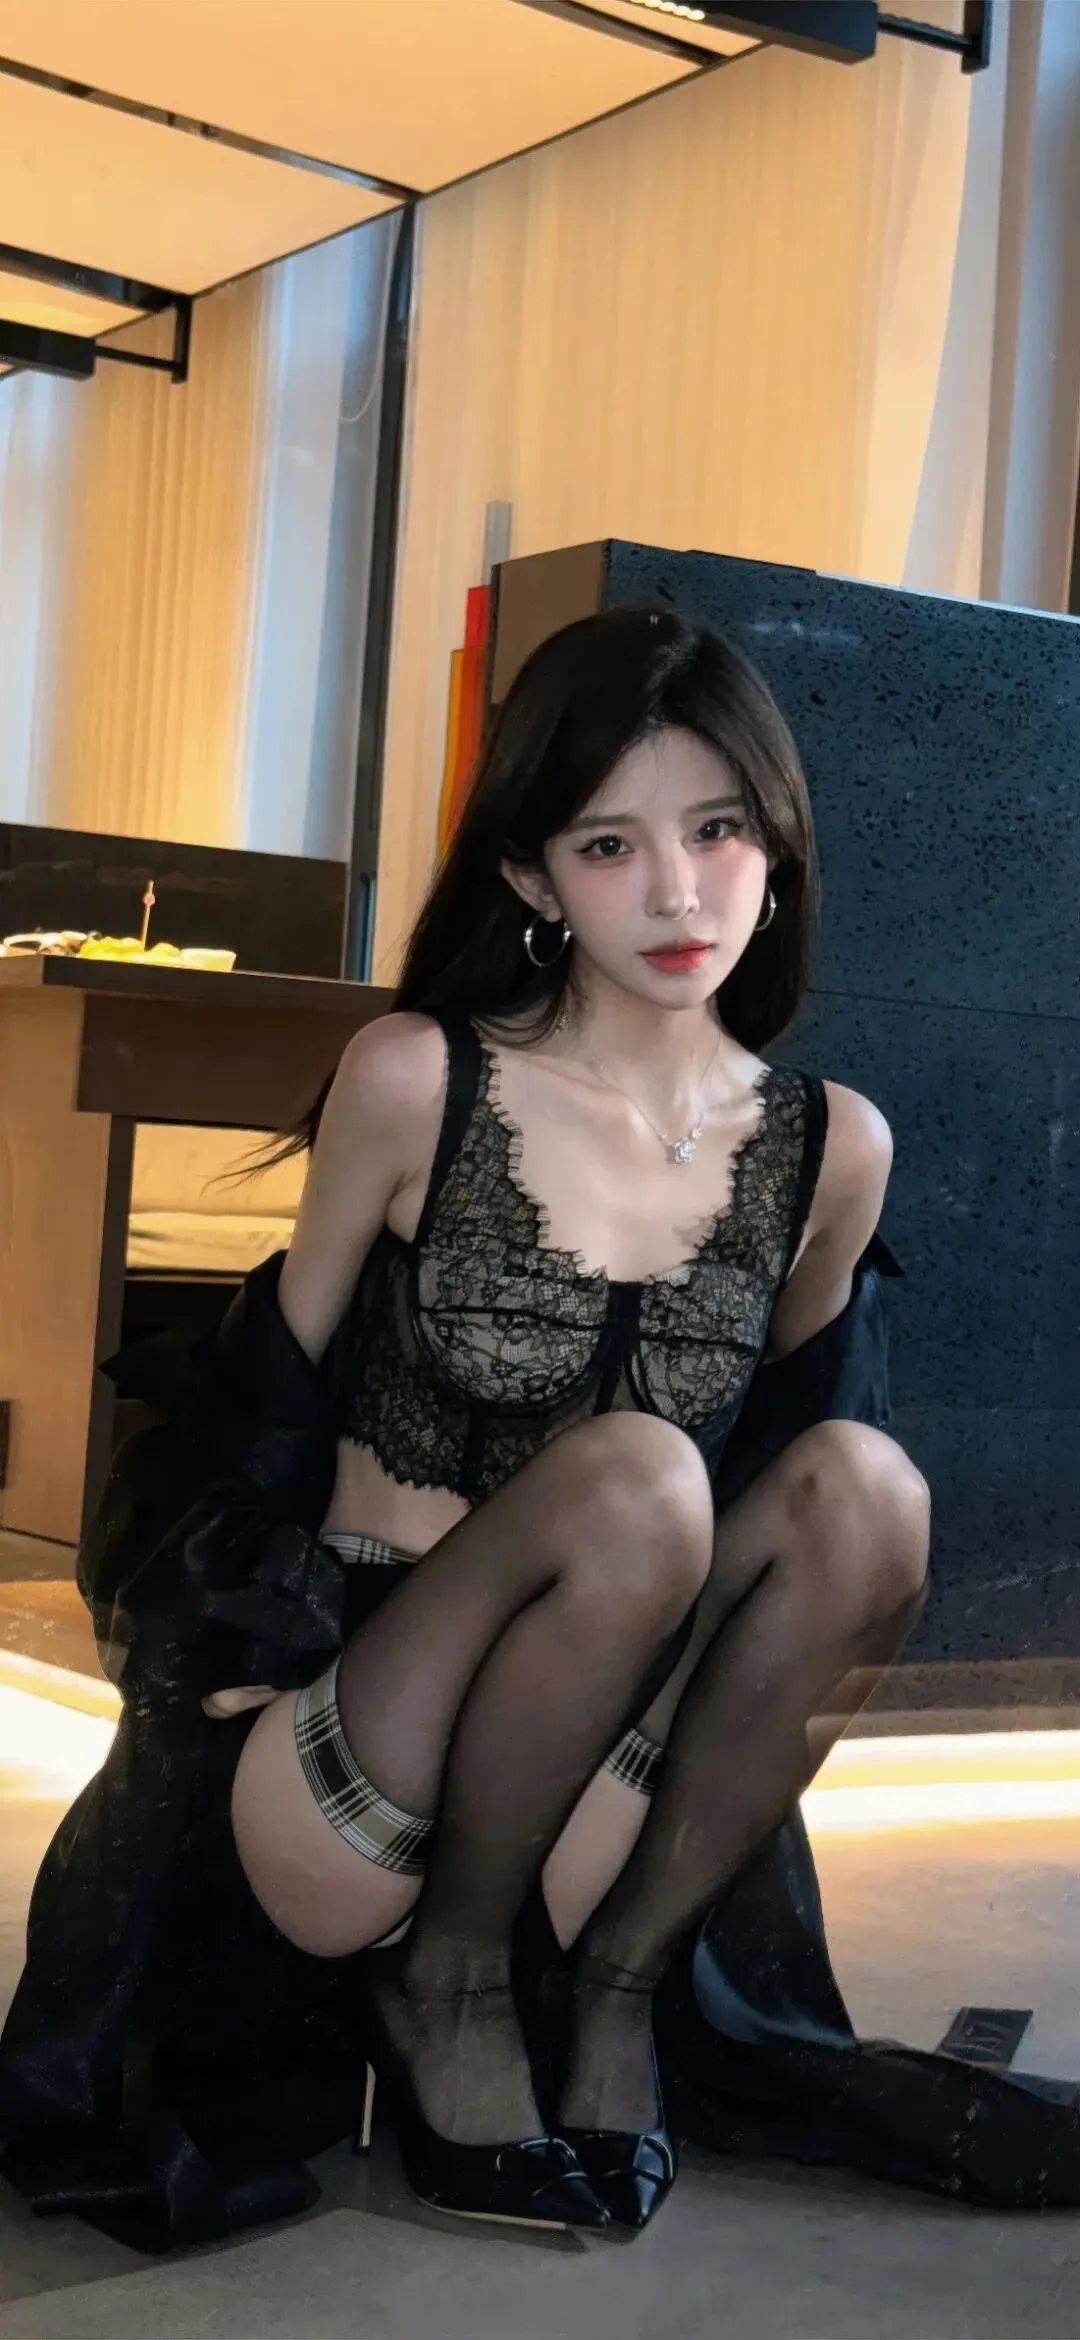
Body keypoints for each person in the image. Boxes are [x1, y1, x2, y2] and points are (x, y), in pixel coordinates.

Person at [196, 605, 930, 2232]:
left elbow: (794, 1461)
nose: (679, 894)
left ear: (778, 844)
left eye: (719, 830)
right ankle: (447, 1980)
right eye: (611, 845)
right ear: (532, 878)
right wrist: (226, 1615)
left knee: (871, 1486)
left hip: (610, 1761)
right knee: (640, 1477)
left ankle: (616, 1986)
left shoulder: (833, 1146)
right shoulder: (418, 1077)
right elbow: (267, 1389)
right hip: (382, 1731)